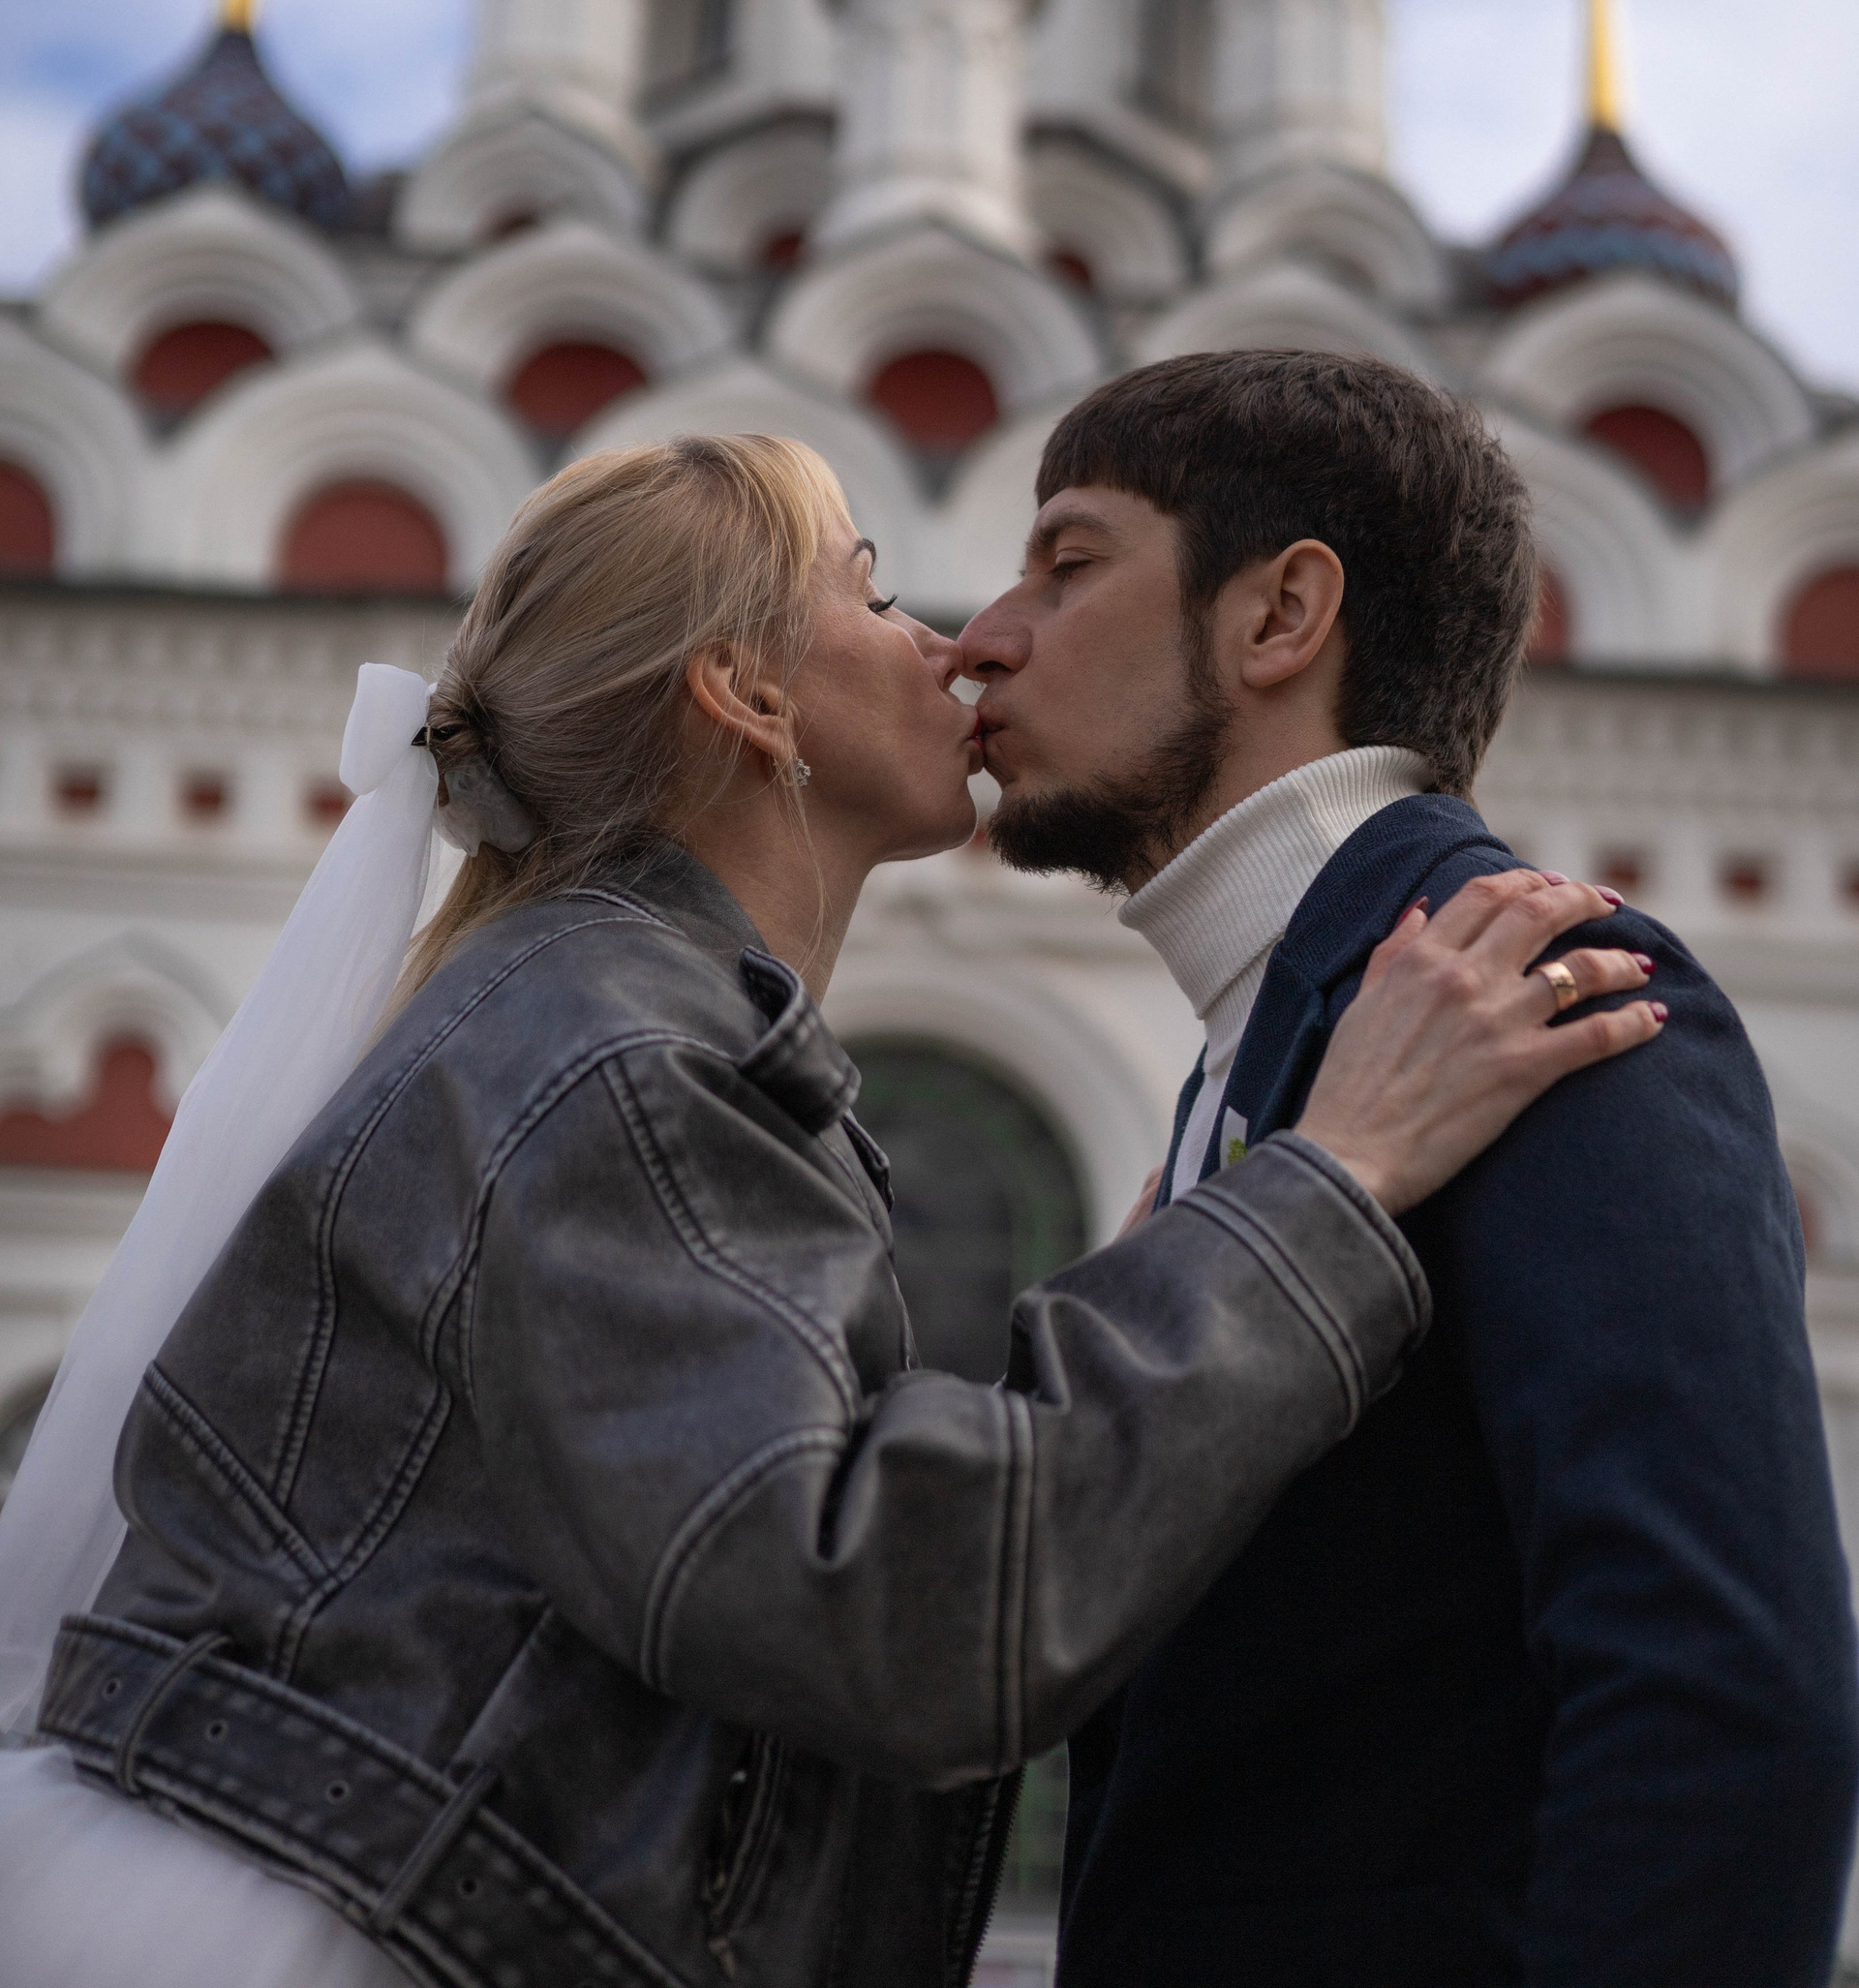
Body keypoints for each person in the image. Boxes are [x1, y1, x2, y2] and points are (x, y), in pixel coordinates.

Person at [0, 433, 1650, 1988]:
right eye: (874, 594)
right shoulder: (619, 1053)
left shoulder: (595, 1016)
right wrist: (1331, 1185)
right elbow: (864, 1605)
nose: (958, 645)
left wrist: (1172, 1284)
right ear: (748, 692)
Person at [960, 349, 1859, 1988]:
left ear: (1281, 615)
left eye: (1069, 564)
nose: (984, 638)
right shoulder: (1273, 1045)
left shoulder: (1537, 993)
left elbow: (1720, 1699)